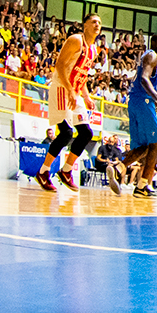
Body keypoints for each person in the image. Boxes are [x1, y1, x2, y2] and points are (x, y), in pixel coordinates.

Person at [34, 13, 101, 191]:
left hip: (76, 92)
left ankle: (66, 170)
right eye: (93, 22)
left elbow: (82, 74)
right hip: (61, 88)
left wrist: (86, 96)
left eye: (99, 23)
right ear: (85, 25)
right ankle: (43, 172)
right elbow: (60, 65)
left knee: (86, 133)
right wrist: (70, 90)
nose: (97, 25)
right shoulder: (75, 40)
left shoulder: (94, 49)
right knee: (65, 133)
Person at [124, 32, 157, 196]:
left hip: (136, 101)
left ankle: (119, 168)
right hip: (143, 101)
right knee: (156, 143)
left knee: (144, 146)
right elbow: (144, 79)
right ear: (153, 43)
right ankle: (141, 185)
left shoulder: (153, 57)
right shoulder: (151, 55)